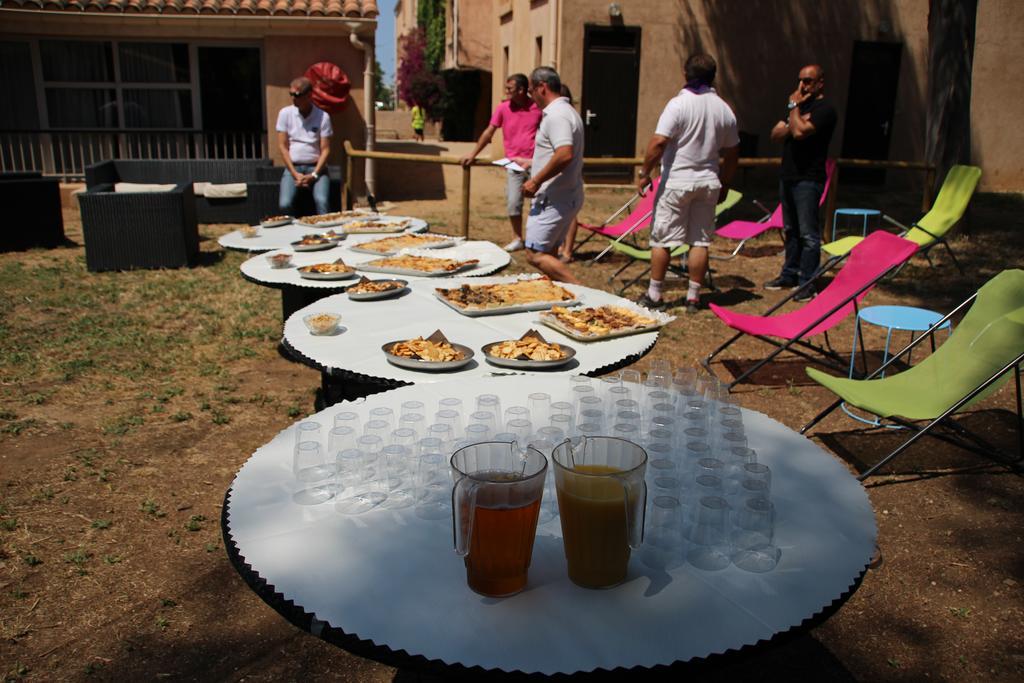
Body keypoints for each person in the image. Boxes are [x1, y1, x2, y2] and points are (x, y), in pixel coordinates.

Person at [635, 54, 739, 313]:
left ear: (685, 73)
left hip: (678, 180)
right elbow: (733, 152)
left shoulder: (679, 105)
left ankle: (655, 294)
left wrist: (645, 171)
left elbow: (659, 141)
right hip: (708, 181)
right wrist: (725, 183)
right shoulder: (723, 109)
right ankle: (693, 297)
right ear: (713, 75)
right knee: (700, 241)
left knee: (662, 240)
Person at [764, 64, 838, 300]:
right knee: (791, 230)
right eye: (800, 80)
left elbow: (798, 133)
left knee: (808, 234)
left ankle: (807, 283)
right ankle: (789, 274)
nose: (802, 86)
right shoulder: (798, 107)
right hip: (789, 176)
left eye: (808, 81)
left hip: (809, 178)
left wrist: (793, 114)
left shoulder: (825, 110)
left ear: (820, 83)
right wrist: (795, 117)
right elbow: (775, 134)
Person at [460, 74, 542, 252]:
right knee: (513, 203)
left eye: (509, 89)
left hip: (536, 163)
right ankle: (518, 238)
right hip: (514, 164)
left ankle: (539, 240)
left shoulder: (538, 107)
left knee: (540, 203)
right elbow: (489, 132)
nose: (506, 92)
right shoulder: (503, 108)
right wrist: (473, 154)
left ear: (521, 90)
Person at [520, 66, 584, 284]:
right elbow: (556, 153)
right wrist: (532, 164)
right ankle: (562, 300)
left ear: (542, 87)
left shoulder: (556, 115)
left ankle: (583, 294)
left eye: (530, 91)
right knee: (549, 251)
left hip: (554, 198)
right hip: (563, 195)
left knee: (534, 254)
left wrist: (536, 180)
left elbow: (564, 154)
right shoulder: (567, 113)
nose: (531, 97)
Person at [276, 77, 332, 216]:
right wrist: (295, 174)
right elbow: (282, 147)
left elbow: (325, 149)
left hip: (316, 168)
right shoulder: (285, 114)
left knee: (322, 201)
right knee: (285, 204)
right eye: (291, 94)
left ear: (309, 95)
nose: (294, 98)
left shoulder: (323, 117)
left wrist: (314, 174)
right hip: (293, 167)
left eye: (297, 95)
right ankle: (290, 233)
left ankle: (326, 234)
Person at [557, 83, 581, 264]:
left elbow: (565, 151)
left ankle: (568, 250)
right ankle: (561, 245)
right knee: (562, 212)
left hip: (568, 173)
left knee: (570, 213)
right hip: (561, 175)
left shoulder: (567, 117)